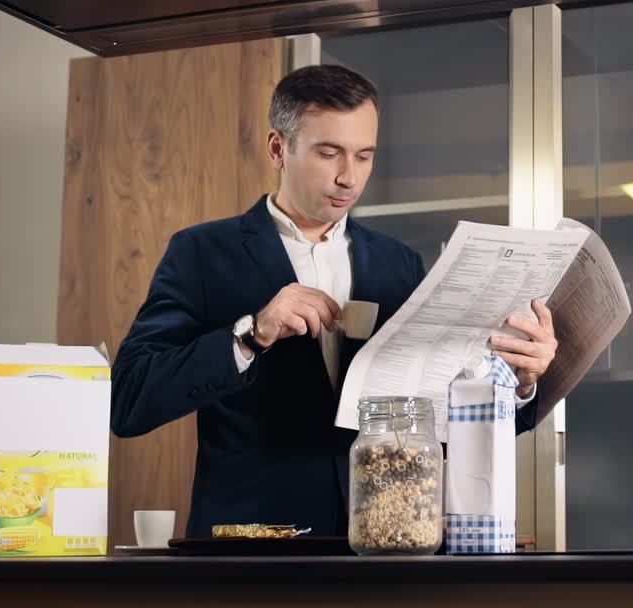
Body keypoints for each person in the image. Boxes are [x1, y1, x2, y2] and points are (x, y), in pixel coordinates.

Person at [111, 64, 557, 538]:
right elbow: (129, 400)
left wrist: (521, 383)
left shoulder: (399, 263)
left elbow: (444, 420)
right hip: (250, 552)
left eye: (365, 156)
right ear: (278, 148)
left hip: (386, 545)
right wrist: (251, 333)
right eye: (330, 153)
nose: (349, 177)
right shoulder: (201, 252)